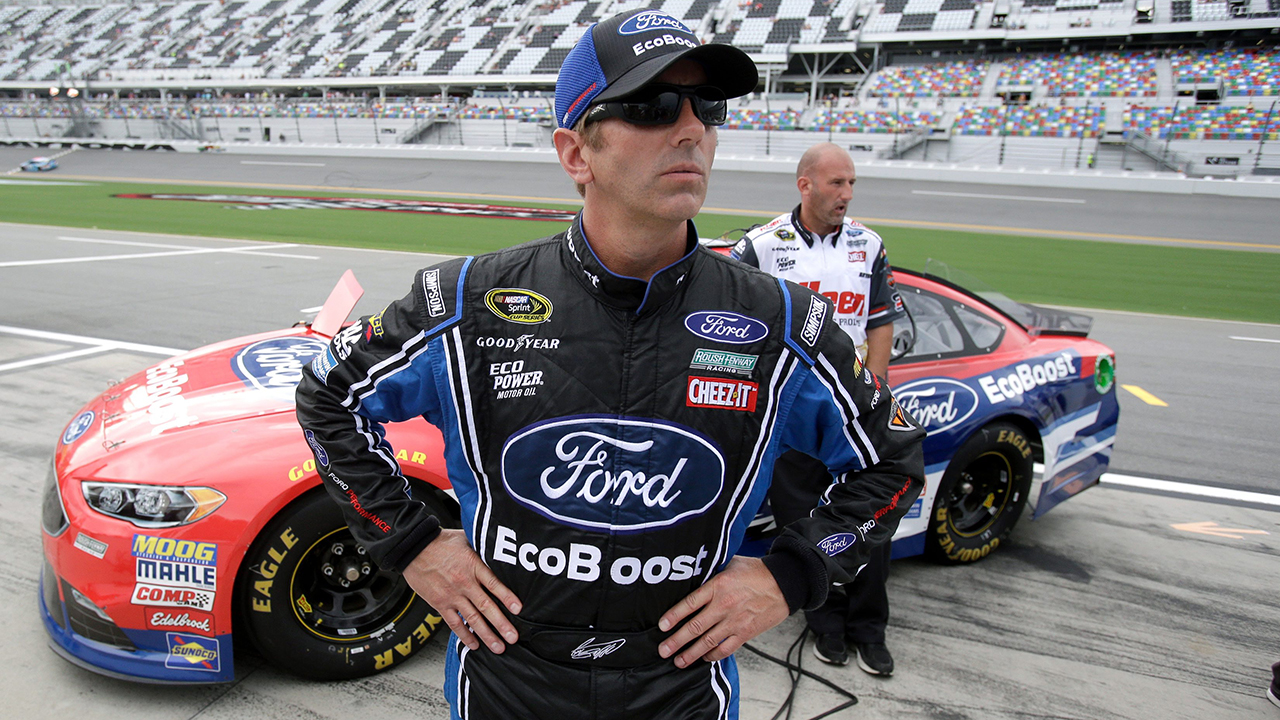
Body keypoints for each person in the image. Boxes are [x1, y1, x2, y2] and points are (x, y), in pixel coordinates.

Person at [295, 10, 924, 719]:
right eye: (653, 106)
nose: (691, 130)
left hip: (681, 689)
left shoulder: (782, 322)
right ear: (575, 154)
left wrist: (791, 575)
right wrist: (408, 544)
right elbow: (327, 397)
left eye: (705, 108)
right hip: (506, 682)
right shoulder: (466, 301)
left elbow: (893, 460)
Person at [731, 143, 906, 676]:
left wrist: (873, 390)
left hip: (849, 412)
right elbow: (737, 329)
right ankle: (826, 627)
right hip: (789, 414)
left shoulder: (868, 244)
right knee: (805, 525)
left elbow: (880, 321)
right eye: (836, 184)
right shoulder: (760, 246)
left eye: (852, 184)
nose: (846, 195)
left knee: (868, 521)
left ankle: (869, 629)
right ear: (805, 185)